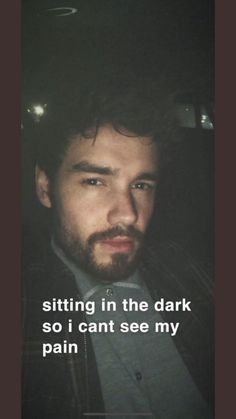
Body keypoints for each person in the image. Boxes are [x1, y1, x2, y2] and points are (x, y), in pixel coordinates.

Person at [22, 79, 214, 418]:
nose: (128, 212)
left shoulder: (197, 274)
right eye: (95, 181)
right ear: (45, 187)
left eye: (141, 184)